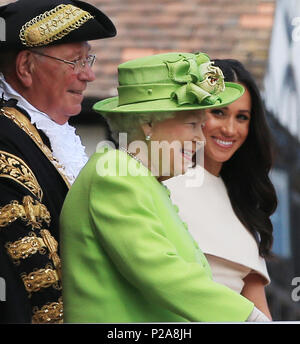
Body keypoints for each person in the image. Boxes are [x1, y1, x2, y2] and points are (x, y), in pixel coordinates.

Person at [60, 52, 270, 322]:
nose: (199, 138)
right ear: (149, 123)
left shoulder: (145, 180)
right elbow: (161, 272)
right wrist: (248, 318)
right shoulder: (114, 173)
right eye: (192, 125)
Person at [0, 0, 116, 323]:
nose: (89, 75)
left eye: (87, 59)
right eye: (75, 61)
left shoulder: (46, 136)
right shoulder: (6, 140)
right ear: (25, 68)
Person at [164, 59, 277, 319]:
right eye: (219, 113)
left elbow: (259, 311)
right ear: (194, 112)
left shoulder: (245, 203)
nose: (229, 129)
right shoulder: (162, 182)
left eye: (242, 117)